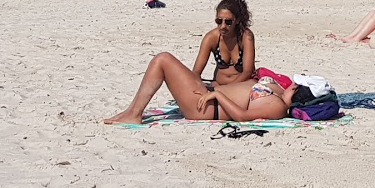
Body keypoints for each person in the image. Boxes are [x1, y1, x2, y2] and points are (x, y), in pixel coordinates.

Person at [102, 60, 294, 125]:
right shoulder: (281, 91)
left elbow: (242, 116)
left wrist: (218, 95)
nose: (296, 86)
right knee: (166, 62)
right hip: (208, 94)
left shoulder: (277, 106)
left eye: (299, 88)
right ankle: (132, 112)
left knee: (162, 60)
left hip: (206, 107)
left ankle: (134, 114)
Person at [193, 0, 257, 88]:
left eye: (228, 22)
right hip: (218, 85)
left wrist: (225, 89)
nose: (223, 26)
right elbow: (196, 72)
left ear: (237, 20)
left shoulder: (245, 37)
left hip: (242, 86)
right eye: (219, 21)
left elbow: (247, 72)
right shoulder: (211, 38)